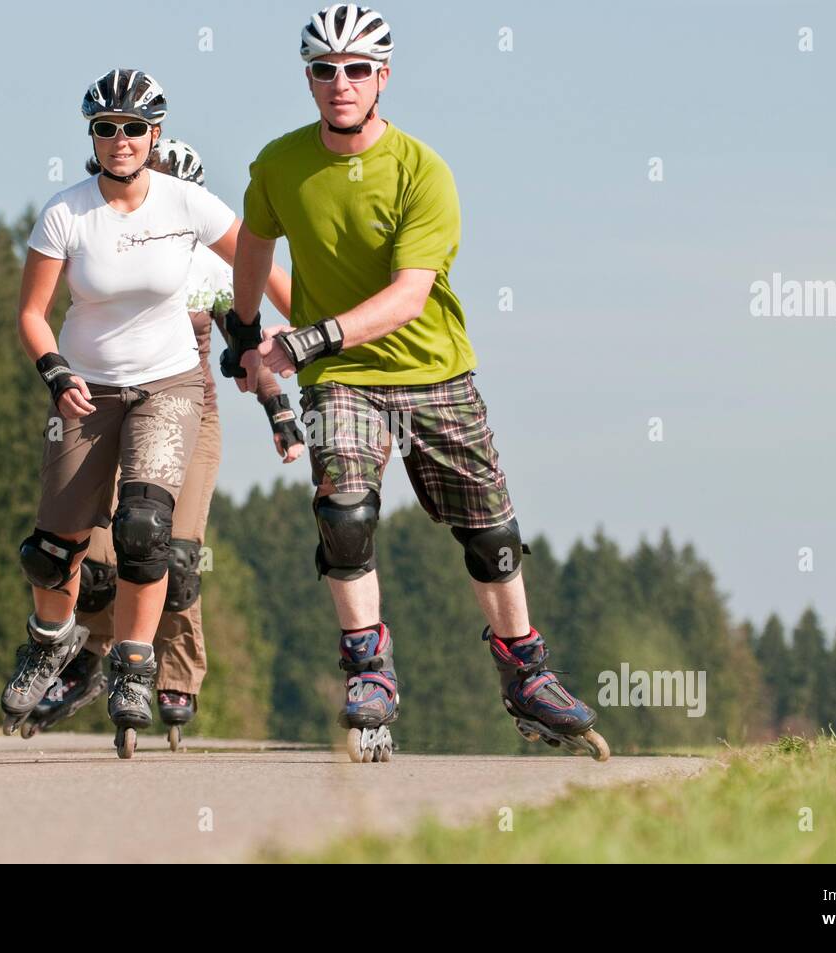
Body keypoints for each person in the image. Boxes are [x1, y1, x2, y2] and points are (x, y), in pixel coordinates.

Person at [222, 4, 610, 763]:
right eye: (326, 70)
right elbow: (254, 243)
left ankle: (526, 673)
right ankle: (369, 667)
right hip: (344, 381)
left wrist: (302, 338)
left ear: (383, 77)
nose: (341, 83)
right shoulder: (278, 163)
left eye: (357, 69)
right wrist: (242, 333)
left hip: (434, 369)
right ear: (308, 79)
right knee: (345, 510)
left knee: (492, 532)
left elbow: (408, 296)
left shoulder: (422, 170)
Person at [1, 68, 292, 759]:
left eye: (134, 128)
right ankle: (51, 642)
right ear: (93, 138)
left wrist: (303, 331)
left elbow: (258, 261)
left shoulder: (188, 204)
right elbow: (31, 314)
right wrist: (55, 370)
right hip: (86, 389)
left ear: (154, 134)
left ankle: (135, 665)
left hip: (170, 387)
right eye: (107, 129)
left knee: (144, 529)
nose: (121, 140)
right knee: (53, 553)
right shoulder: (66, 213)